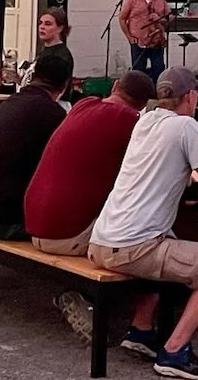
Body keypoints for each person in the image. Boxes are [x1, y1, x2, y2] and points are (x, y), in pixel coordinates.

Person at [85, 71, 198, 379]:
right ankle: (175, 350)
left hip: (101, 238)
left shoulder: (145, 120)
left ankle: (141, 331)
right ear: (190, 97)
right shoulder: (186, 125)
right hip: (133, 246)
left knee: (169, 236)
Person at [0, 47, 76, 245]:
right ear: (64, 86)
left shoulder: (11, 103)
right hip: (2, 221)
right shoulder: (52, 114)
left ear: (33, 76)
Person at [27, 70, 151, 256]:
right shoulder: (129, 120)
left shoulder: (83, 105)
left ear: (115, 85)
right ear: (144, 104)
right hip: (67, 235)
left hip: (34, 223)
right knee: (148, 226)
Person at [118, 0, 172, 82]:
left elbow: (170, 18)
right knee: (138, 73)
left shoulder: (161, 0)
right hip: (139, 42)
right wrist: (129, 37)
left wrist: (160, 19)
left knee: (158, 70)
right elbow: (122, 19)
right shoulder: (132, 1)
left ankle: (157, 94)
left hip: (156, 42)